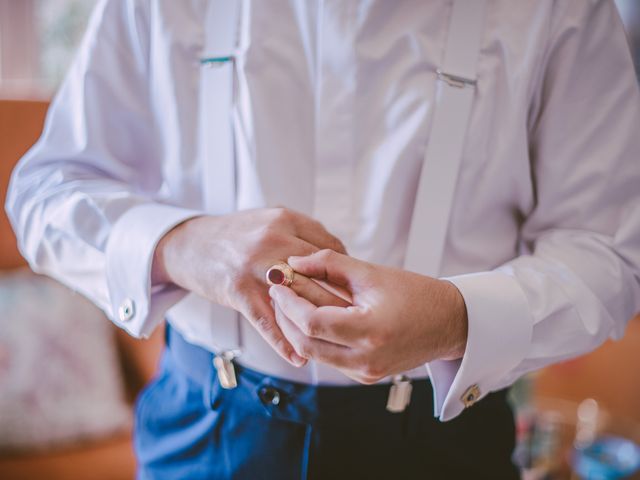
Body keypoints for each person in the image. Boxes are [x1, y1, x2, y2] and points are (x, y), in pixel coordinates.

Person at [6, 0, 640, 478]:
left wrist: (456, 319)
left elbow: (612, 249)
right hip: (205, 437)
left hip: (445, 445)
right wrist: (182, 243)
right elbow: (44, 193)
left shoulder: (558, 10)